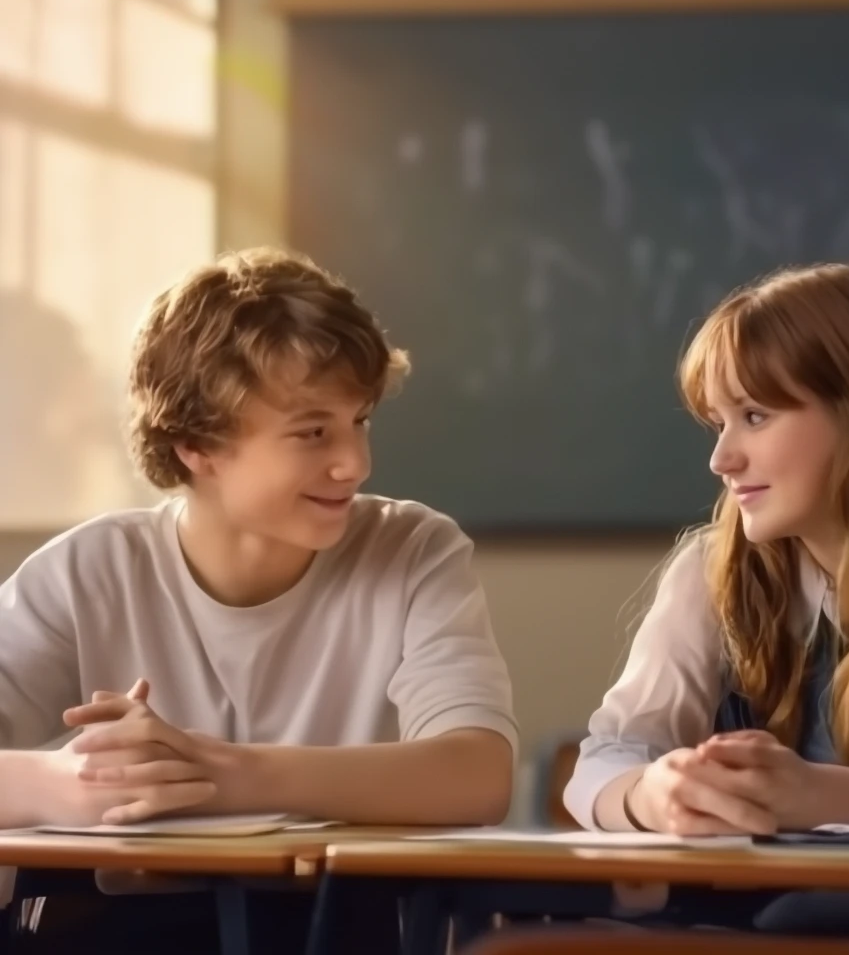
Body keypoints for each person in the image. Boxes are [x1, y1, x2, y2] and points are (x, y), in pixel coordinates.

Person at [0, 246, 517, 951]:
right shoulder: (88, 570)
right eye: (313, 432)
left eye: (359, 420)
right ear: (196, 447)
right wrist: (77, 783)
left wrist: (224, 776)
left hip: (333, 929)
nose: (355, 463)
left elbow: (478, 773)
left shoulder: (414, 548)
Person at [563, 263, 849, 938]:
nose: (722, 459)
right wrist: (650, 793)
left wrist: (812, 794)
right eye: (718, 422)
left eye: (754, 416)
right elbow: (609, 752)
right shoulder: (709, 572)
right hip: (756, 902)